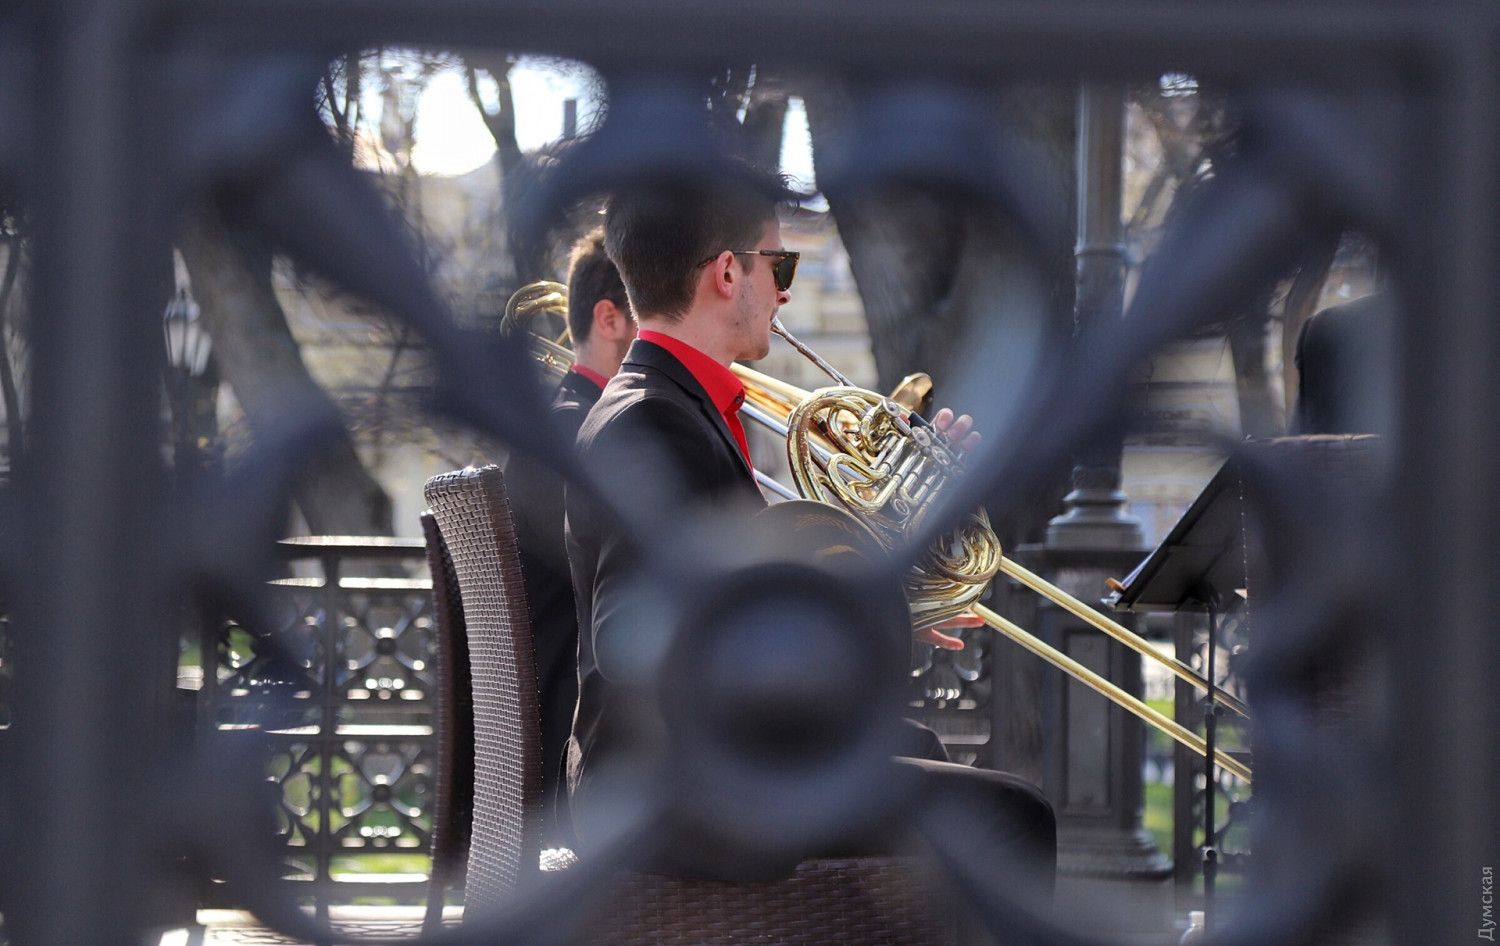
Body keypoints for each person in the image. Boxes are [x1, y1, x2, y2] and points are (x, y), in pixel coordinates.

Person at [562, 162, 1055, 895]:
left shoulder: (667, 404)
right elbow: (630, 640)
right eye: (779, 264)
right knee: (1016, 816)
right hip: (677, 795)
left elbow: (728, 595)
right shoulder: (654, 422)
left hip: (687, 771)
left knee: (922, 750)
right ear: (727, 273)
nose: (785, 290)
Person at [504, 227, 637, 847]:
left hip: (569, 736)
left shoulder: (563, 425)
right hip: (578, 755)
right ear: (609, 320)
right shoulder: (577, 438)